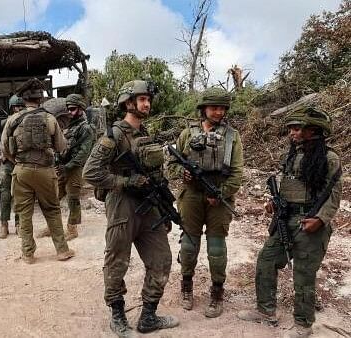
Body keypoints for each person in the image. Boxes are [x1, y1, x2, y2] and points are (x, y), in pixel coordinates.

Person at [83, 80, 178, 336]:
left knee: (161, 260)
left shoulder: (145, 134)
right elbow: (90, 172)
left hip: (149, 206)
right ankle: (117, 315)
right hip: (122, 205)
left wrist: (165, 207)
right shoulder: (113, 136)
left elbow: (156, 173)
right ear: (128, 103)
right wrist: (125, 181)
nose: (147, 104)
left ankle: (148, 317)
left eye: (148, 99)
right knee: (117, 262)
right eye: (142, 99)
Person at [238, 107, 341, 338]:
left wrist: (320, 219)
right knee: (266, 260)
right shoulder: (292, 154)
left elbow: (333, 195)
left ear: (312, 129)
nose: (291, 133)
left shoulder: (329, 158)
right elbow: (289, 185)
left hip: (311, 222)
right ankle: (266, 310)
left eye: (296, 128)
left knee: (303, 274)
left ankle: (303, 324)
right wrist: (275, 204)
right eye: (290, 129)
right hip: (285, 219)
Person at [166, 87, 243, 318]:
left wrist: (221, 192)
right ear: (203, 109)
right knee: (189, 245)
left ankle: (217, 292)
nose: (218, 112)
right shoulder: (187, 134)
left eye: (222, 108)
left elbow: (237, 172)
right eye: (214, 107)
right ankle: (187, 287)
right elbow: (171, 164)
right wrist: (183, 172)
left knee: (216, 248)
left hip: (218, 197)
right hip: (191, 195)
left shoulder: (232, 136)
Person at [0, 78, 75, 264]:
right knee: (52, 210)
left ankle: (27, 254)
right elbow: (61, 146)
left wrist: (17, 162)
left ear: (23, 100)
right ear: (40, 99)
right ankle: (62, 250)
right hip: (45, 172)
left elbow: (4, 148)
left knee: (24, 213)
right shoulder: (50, 118)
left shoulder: (13, 120)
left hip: (21, 171)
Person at [37, 94, 94, 240]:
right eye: (68, 109)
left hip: (74, 168)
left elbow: (83, 153)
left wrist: (67, 166)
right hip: (63, 166)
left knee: (72, 198)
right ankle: (52, 226)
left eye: (73, 109)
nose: (70, 112)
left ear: (81, 109)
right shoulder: (69, 125)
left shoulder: (85, 128)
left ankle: (72, 229)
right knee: (55, 197)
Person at [0, 95, 24, 239]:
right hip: (7, 164)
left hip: (21, 163)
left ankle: (19, 225)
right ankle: (4, 224)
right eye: (17, 107)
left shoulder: (25, 122)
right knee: (5, 195)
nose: (19, 109)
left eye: (22, 107)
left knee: (20, 195)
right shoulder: (3, 124)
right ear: (12, 108)